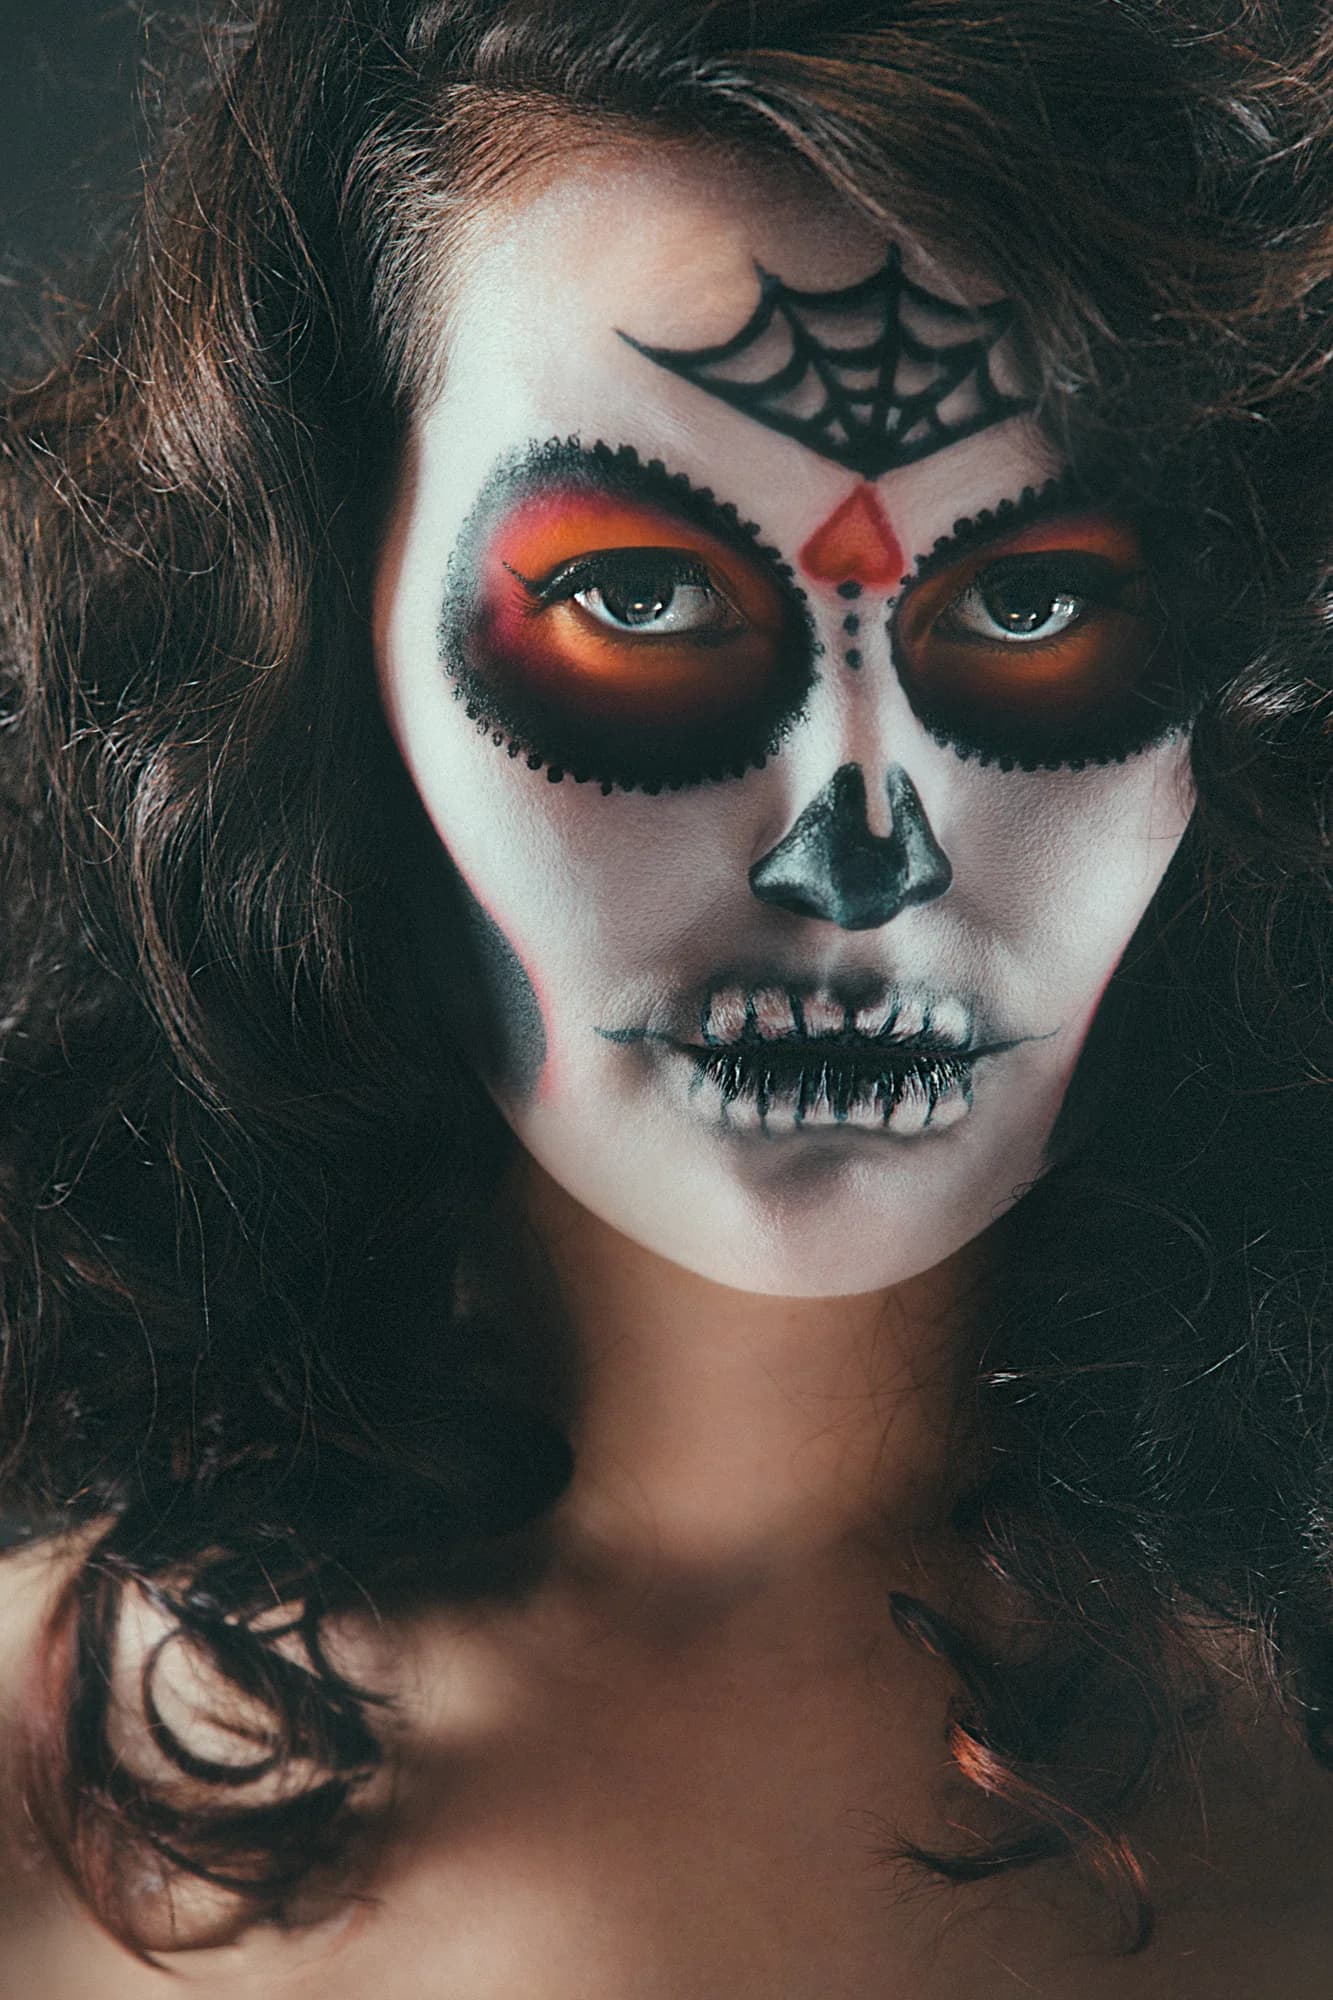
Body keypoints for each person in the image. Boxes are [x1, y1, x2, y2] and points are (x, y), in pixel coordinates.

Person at [0, 0, 1329, 1989]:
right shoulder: (31, 1796)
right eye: (639, 596)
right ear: (313, 631)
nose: (861, 845)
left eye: (1028, 604)